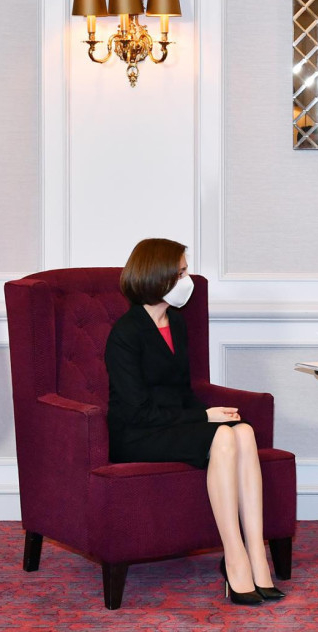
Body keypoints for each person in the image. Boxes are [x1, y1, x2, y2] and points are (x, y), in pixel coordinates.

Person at [106, 238, 284, 606]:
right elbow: (137, 411)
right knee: (222, 437)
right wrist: (204, 417)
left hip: (172, 425)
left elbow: (183, 391)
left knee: (243, 431)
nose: (187, 281)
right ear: (156, 277)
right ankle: (234, 559)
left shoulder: (176, 323)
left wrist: (214, 413)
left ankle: (257, 555)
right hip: (137, 434)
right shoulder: (125, 333)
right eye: (180, 273)